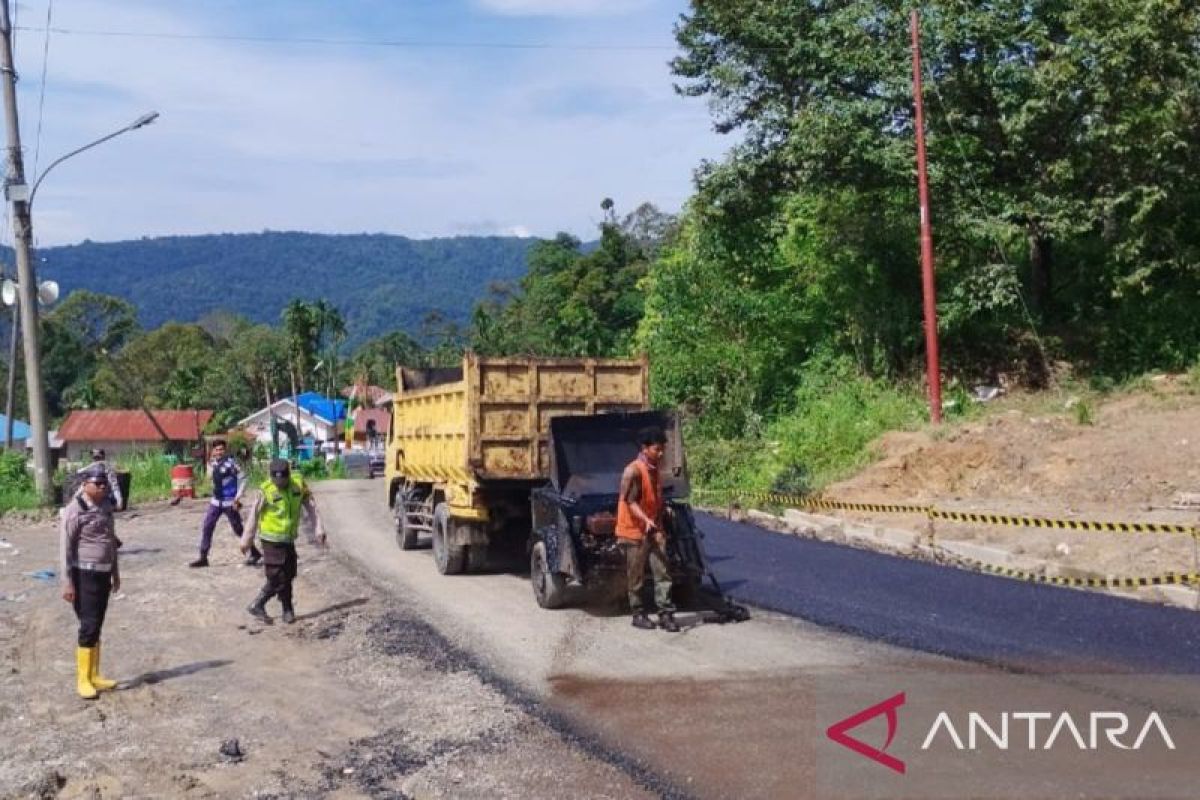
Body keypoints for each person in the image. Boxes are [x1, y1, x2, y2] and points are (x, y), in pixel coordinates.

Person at [59, 463, 122, 699]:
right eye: (98, 483)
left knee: (96, 625)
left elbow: (110, 543)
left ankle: (95, 675)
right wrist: (67, 582)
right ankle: (83, 680)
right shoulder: (75, 510)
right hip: (83, 575)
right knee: (88, 626)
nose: (103, 487)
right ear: (85, 485)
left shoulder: (105, 507)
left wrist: (116, 573)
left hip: (104, 573)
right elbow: (64, 548)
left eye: (105, 483)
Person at [239, 459, 326, 624]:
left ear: (289, 475)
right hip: (270, 539)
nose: (280, 483)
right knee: (277, 576)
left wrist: (318, 527)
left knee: (290, 572)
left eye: (283, 480)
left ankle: (287, 609)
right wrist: (246, 539)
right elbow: (253, 516)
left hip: (288, 539)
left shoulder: (298, 484)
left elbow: (310, 504)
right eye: (276, 480)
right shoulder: (265, 491)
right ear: (271, 477)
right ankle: (258, 604)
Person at [615, 426, 680, 632]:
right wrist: (645, 519)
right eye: (656, 449)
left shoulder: (655, 470)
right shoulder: (632, 471)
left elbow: (654, 497)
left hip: (654, 528)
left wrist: (664, 510)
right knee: (636, 575)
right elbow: (630, 501)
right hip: (634, 531)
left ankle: (666, 613)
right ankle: (638, 613)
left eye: (662, 450)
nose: (660, 454)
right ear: (645, 448)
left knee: (663, 571)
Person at [189, 440, 260, 568]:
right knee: (207, 526)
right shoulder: (212, 463)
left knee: (238, 529)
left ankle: (254, 552)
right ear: (213, 451)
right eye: (216, 449)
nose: (219, 452)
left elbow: (244, 479)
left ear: (225, 450)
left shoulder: (231, 464)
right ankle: (203, 557)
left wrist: (237, 498)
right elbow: (212, 480)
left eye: (221, 449)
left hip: (229, 502)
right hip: (216, 502)